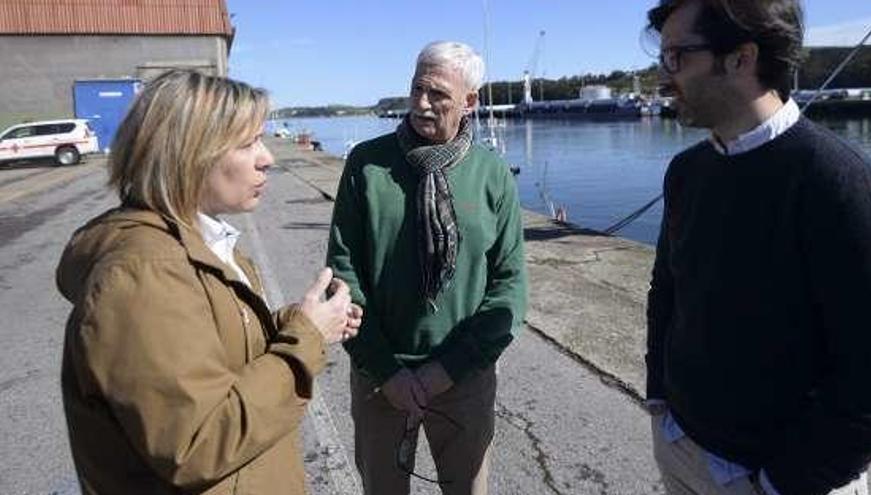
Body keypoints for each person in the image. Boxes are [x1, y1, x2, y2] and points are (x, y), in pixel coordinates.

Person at [56, 70, 361, 495]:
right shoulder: (144, 274)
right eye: (247, 142)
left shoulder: (202, 242)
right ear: (188, 153)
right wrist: (306, 339)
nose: (267, 157)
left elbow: (212, 350)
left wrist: (299, 321)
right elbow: (197, 443)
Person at [644, 1, 871, 494]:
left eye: (676, 57)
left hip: (780, 479)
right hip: (680, 446)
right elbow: (666, 288)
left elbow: (869, 379)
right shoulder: (686, 172)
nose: (664, 77)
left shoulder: (838, 183)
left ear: (740, 58)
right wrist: (659, 399)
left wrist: (778, 483)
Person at [326, 41, 527, 495]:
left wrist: (450, 368)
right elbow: (343, 271)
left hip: (463, 379)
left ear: (469, 101)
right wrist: (385, 369)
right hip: (381, 379)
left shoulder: (492, 174)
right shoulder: (366, 165)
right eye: (417, 88)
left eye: (437, 94)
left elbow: (510, 285)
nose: (420, 104)